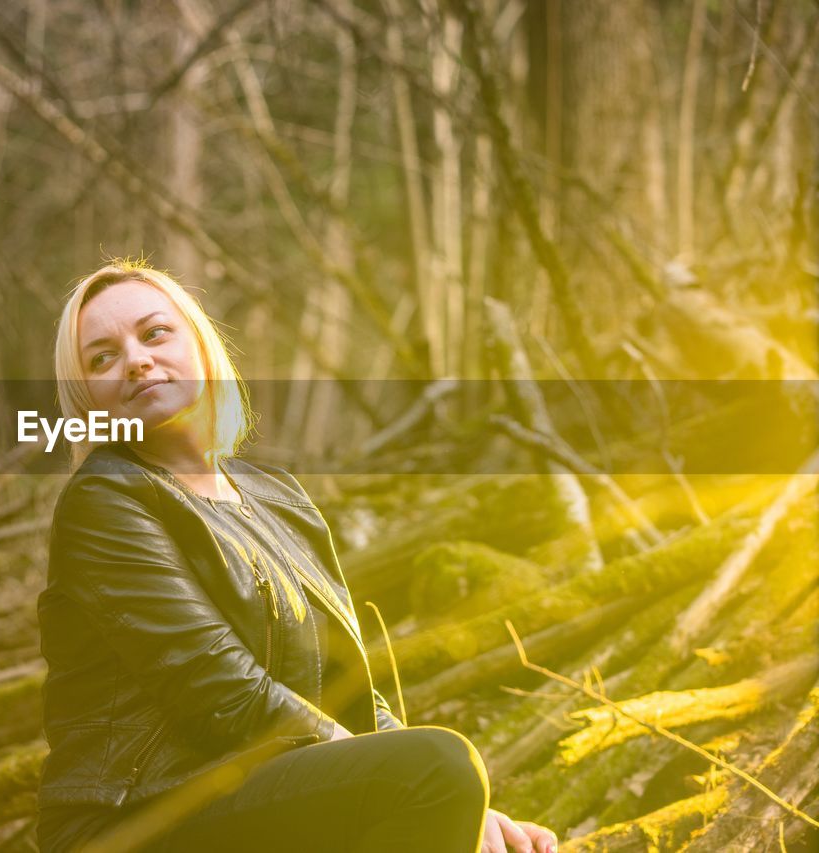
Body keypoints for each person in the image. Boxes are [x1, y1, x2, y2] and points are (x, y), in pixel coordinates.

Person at [35, 260, 558, 853]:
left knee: (445, 773)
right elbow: (219, 689)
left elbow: (350, 693)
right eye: (101, 358)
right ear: (88, 396)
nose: (135, 360)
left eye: (154, 333)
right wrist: (419, 776)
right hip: (135, 824)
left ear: (201, 346)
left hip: (253, 798)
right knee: (438, 764)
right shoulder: (106, 498)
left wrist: (466, 805)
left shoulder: (278, 498)